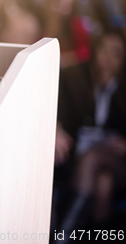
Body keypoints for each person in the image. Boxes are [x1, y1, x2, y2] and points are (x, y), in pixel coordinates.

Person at [55, 30, 126, 238]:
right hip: (82, 157)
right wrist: (58, 127)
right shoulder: (78, 80)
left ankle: (63, 236)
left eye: (116, 53)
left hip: (118, 160)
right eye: (103, 50)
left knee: (93, 159)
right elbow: (60, 112)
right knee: (103, 184)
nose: (107, 58)